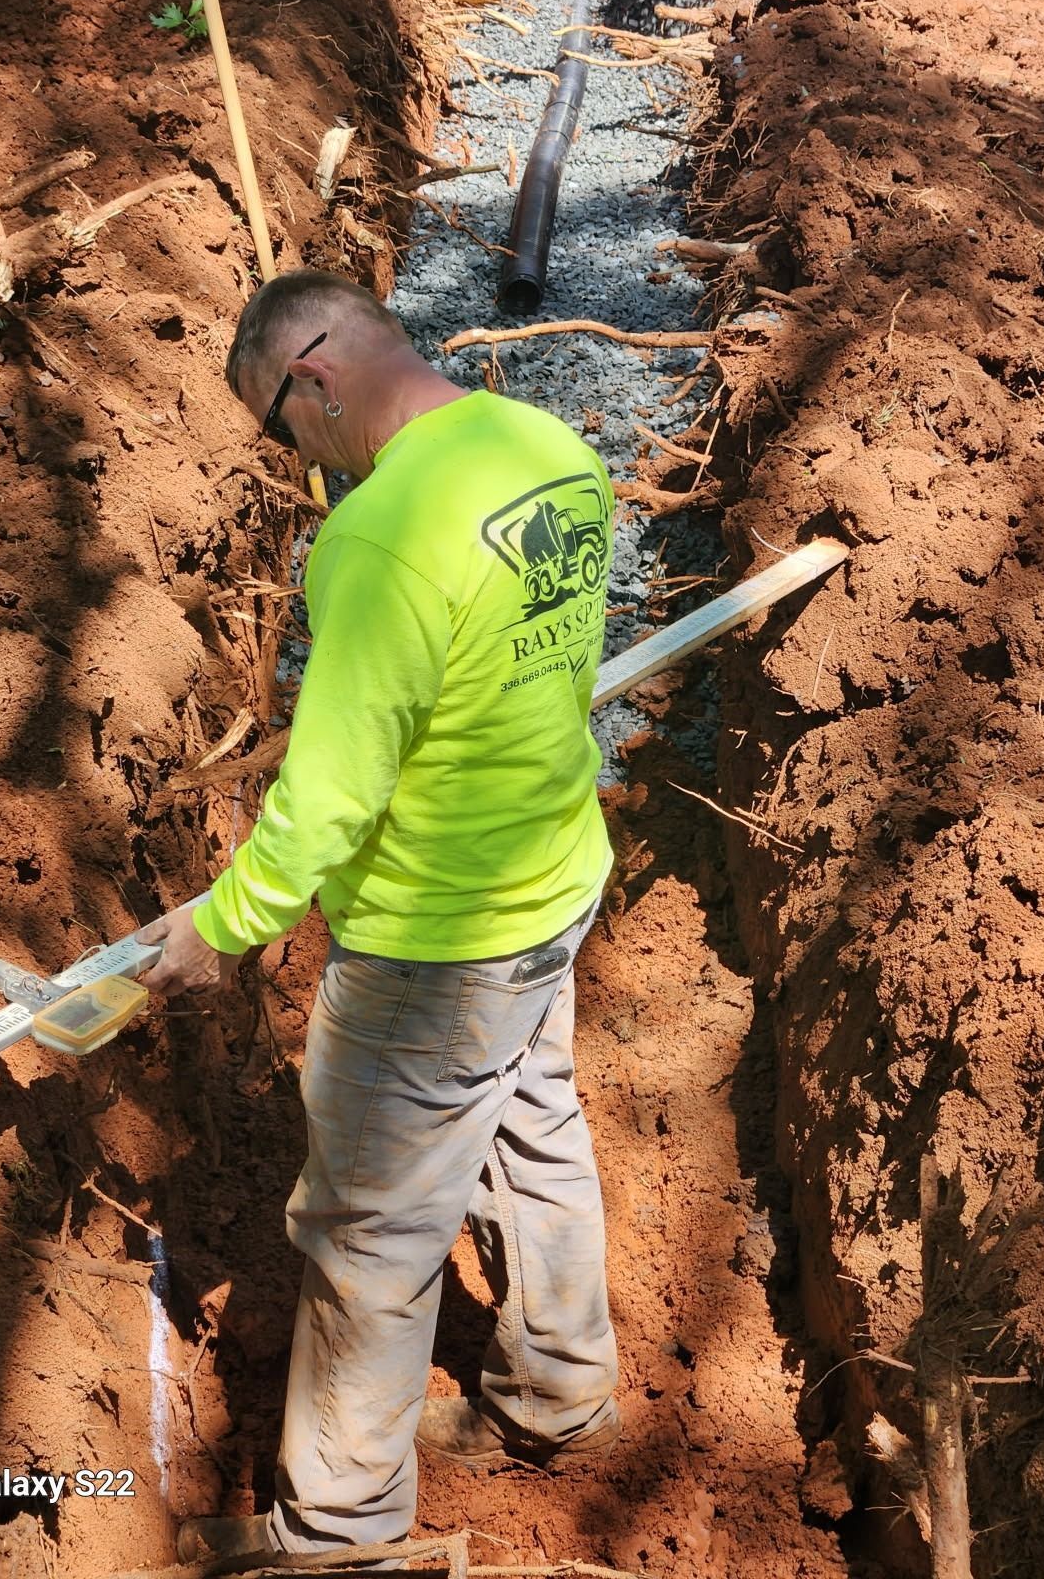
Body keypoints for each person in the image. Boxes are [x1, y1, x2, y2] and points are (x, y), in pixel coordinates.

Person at [138, 270, 620, 1566]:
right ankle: (563, 1392)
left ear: (313, 373)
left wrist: (223, 927)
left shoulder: (379, 538)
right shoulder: (548, 446)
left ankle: (343, 1535)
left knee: (371, 1236)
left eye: (278, 426)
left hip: (434, 947)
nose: (292, 460)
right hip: (556, 880)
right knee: (534, 1128)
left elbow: (330, 798)